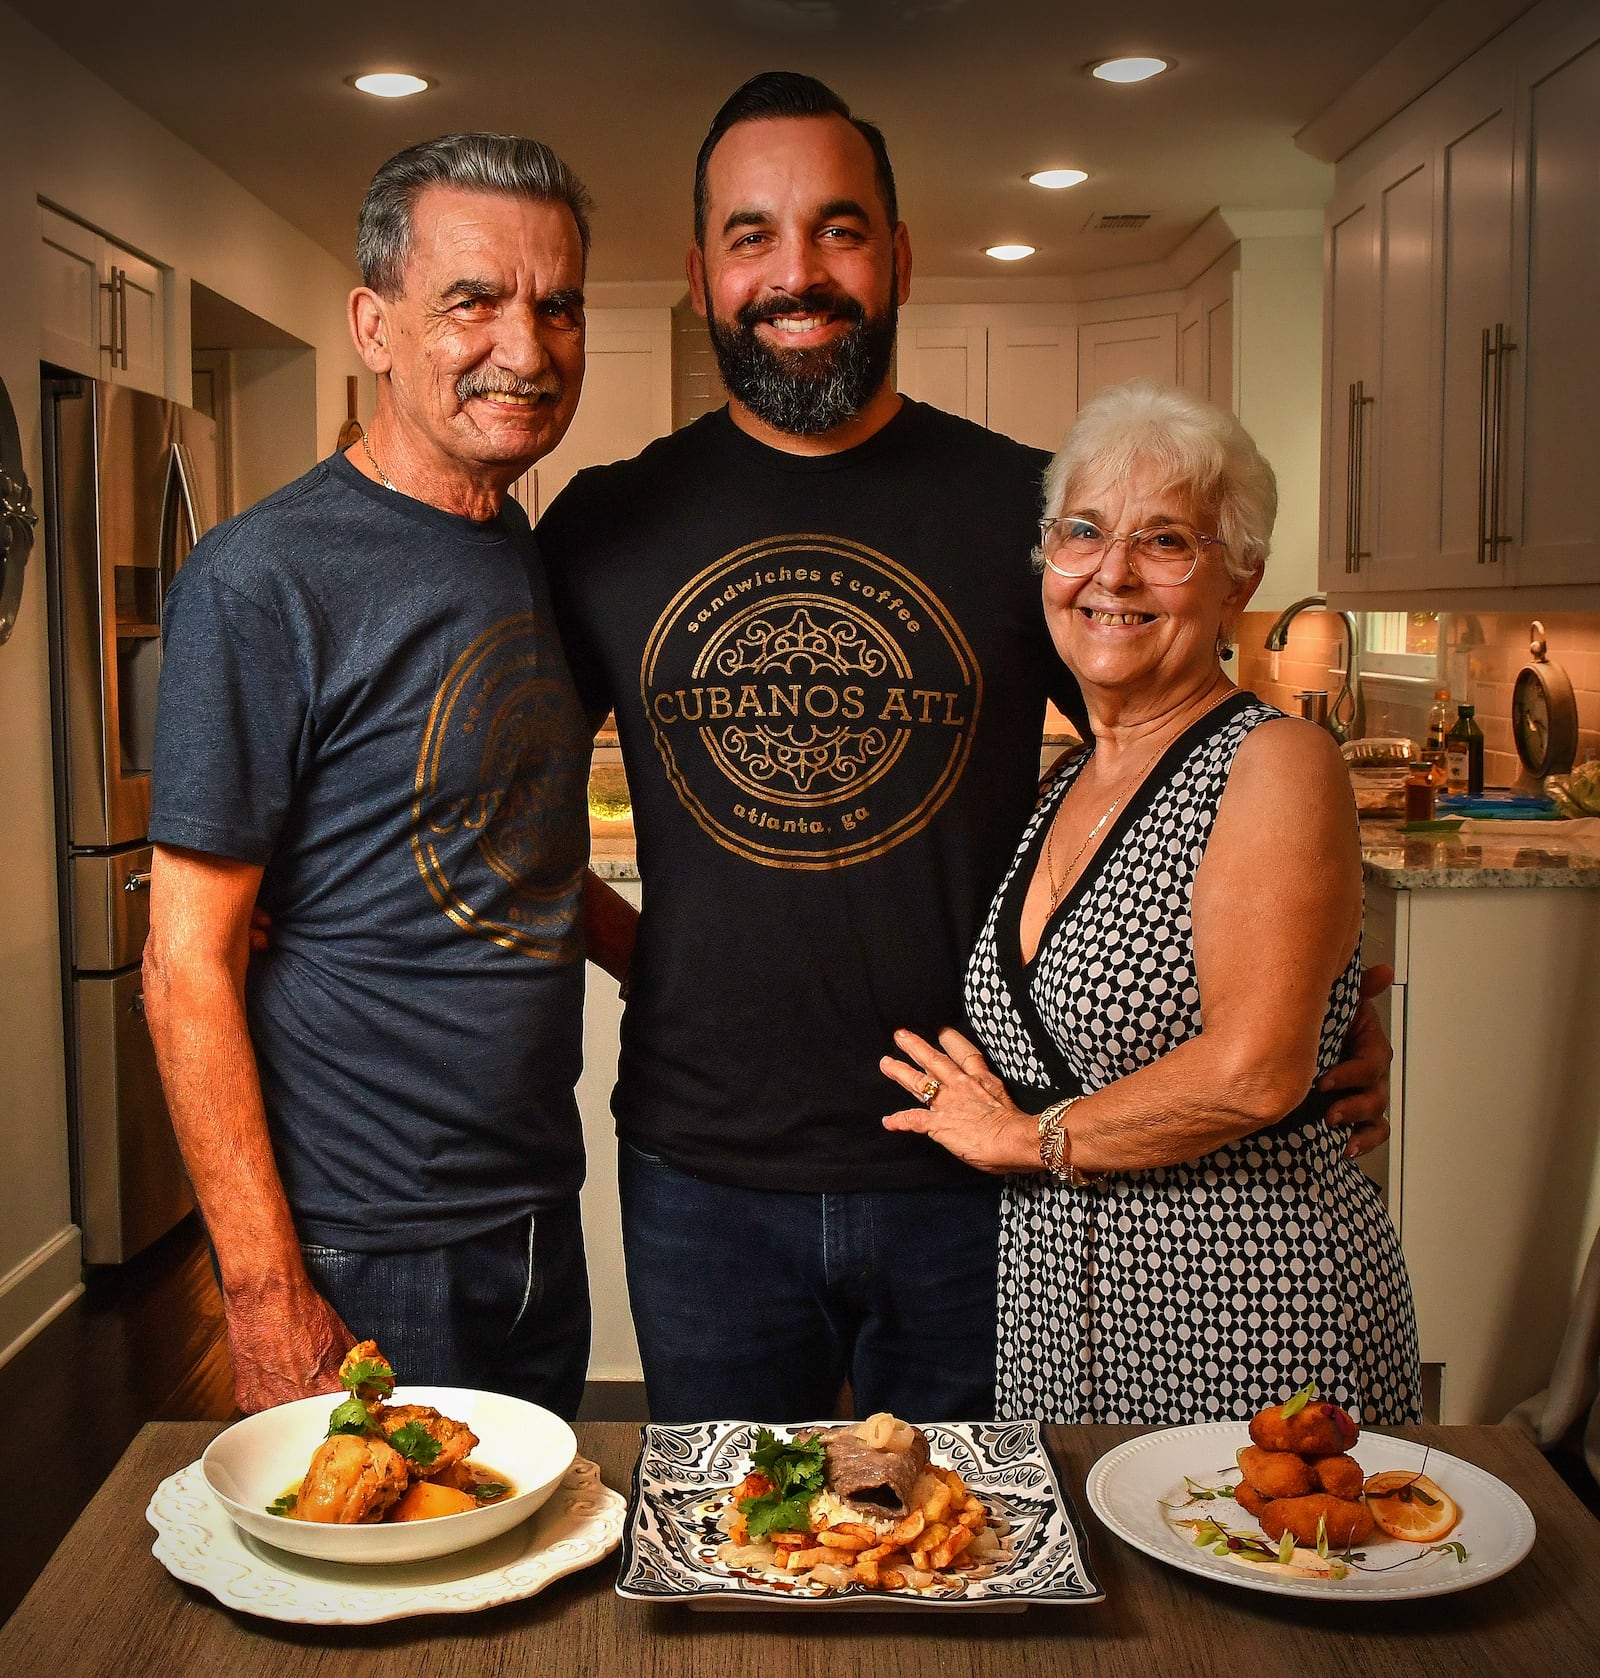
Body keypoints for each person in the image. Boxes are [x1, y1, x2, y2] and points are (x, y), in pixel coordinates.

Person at [537, 72, 1395, 1425]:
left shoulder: (1028, 509)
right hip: (702, 1170)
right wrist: (660, 956)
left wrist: (1331, 998)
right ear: (702, 268)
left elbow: (1191, 749)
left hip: (978, 1171)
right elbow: (495, 805)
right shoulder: (606, 523)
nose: (797, 271)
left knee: (971, 1572)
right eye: (753, 234)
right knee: (737, 1571)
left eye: (840, 228)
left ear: (899, 257)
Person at [144, 133, 608, 1419]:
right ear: (375, 325)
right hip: (360, 1239)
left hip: (530, 1208)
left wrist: (719, 969)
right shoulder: (262, 578)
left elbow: (517, 864)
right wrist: (264, 1294)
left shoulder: (520, 549)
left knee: (525, 1589)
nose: (524, 346)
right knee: (380, 1604)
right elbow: (184, 965)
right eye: (472, 300)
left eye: (556, 304)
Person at [880, 380, 1421, 1424]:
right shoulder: (1065, 783)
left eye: (1166, 541)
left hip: (1245, 1303)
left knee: (1249, 1571)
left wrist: (1022, 1140)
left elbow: (1255, 1070)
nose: (1111, 573)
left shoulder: (1276, 762)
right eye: (1082, 533)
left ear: (1240, 577)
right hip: (1060, 1309)